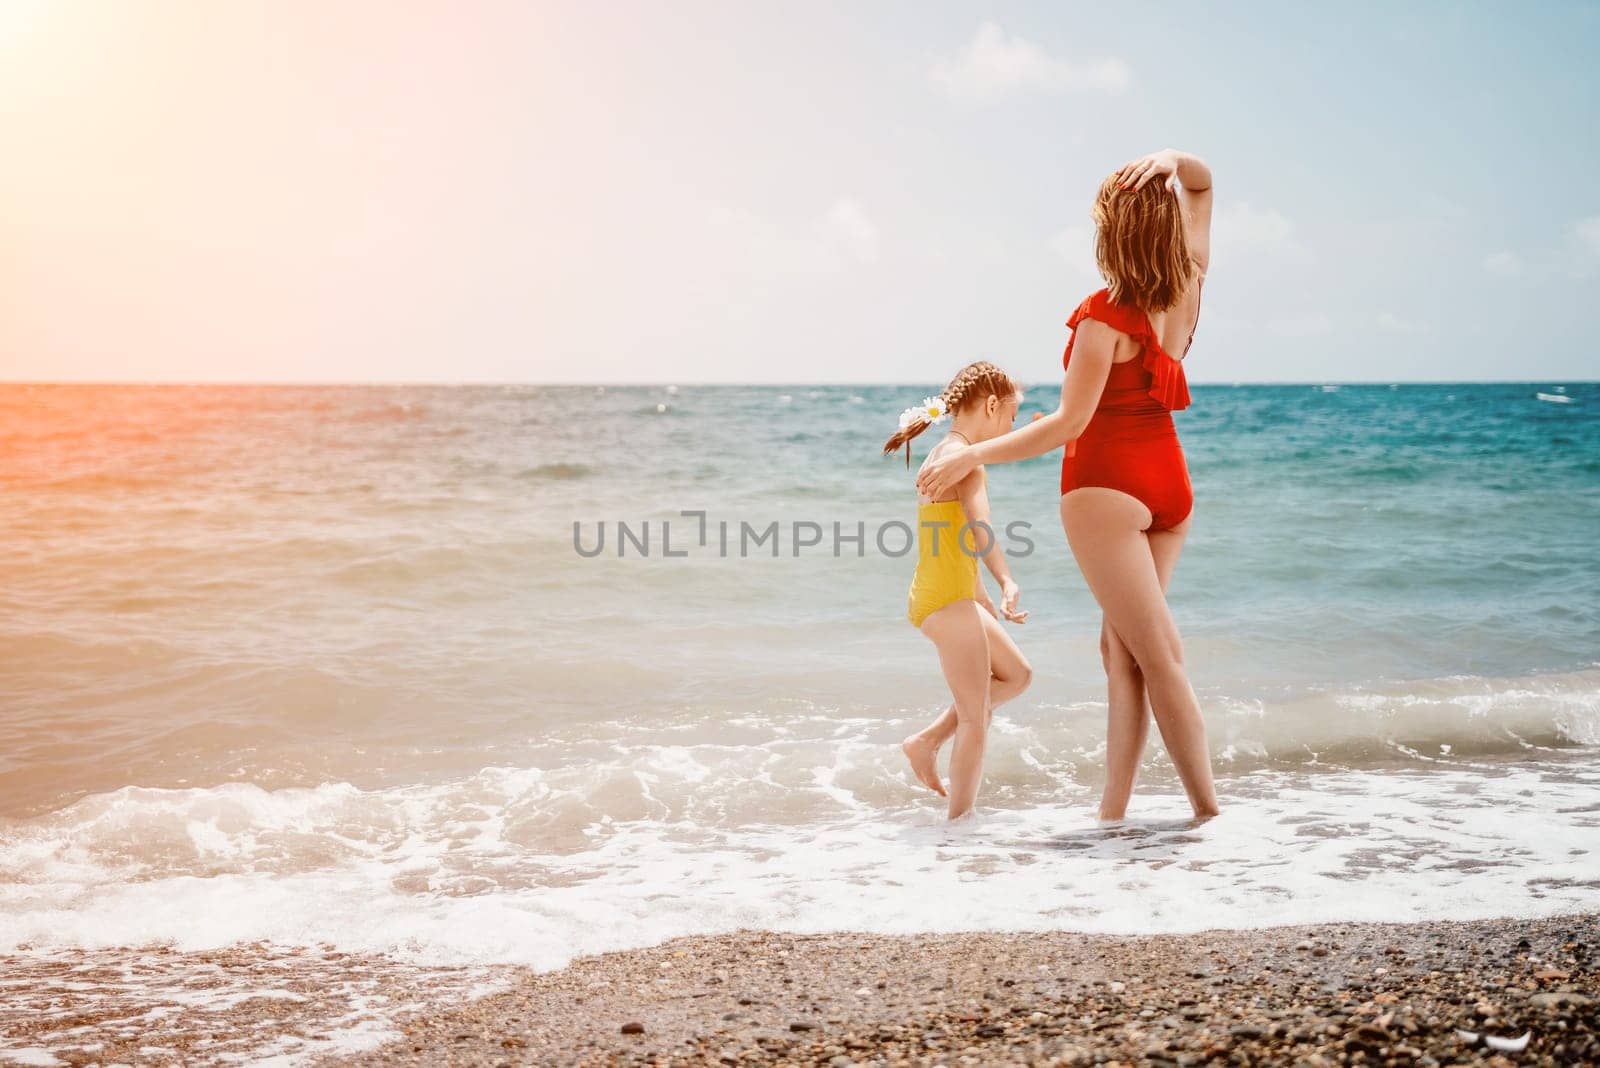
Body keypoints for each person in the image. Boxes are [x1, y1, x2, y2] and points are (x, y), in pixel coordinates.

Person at [916, 149, 1221, 821]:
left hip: (1106, 489)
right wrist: (1173, 161)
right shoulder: (1190, 282)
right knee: (1124, 651)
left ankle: (1208, 816)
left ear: (1111, 233)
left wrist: (973, 456)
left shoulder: (1101, 319)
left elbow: (1066, 424)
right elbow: (1201, 187)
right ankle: (1114, 814)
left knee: (1157, 656)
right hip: (1170, 483)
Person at [882, 361, 1032, 819]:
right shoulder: (965, 461)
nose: (1011, 429)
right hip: (947, 601)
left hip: (946, 593)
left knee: (1017, 675)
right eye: (1010, 418)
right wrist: (1007, 579)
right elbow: (980, 529)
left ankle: (925, 741)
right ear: (990, 406)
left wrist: (983, 597)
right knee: (975, 721)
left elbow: (950, 539)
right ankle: (959, 829)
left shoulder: (945, 451)